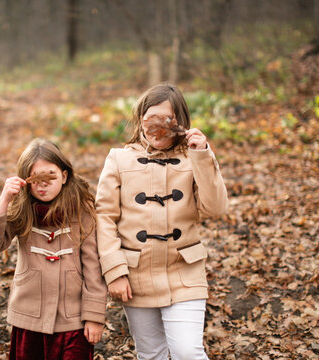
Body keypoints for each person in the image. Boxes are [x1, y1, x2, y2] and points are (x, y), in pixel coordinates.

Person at [95, 83, 228, 360]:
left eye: (165, 121)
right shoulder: (118, 159)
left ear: (179, 122)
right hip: (136, 274)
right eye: (149, 119)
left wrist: (202, 156)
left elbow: (215, 208)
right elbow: (105, 217)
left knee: (187, 352)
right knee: (151, 354)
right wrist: (115, 270)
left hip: (185, 272)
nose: (156, 129)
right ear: (140, 119)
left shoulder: (193, 157)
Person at [0, 138, 107, 360]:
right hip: (30, 316)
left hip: (73, 319)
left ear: (64, 176)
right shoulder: (21, 208)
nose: (43, 184)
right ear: (26, 180)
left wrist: (94, 316)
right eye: (36, 178)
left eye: (50, 176)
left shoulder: (82, 210)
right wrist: (4, 200)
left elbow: (93, 266)